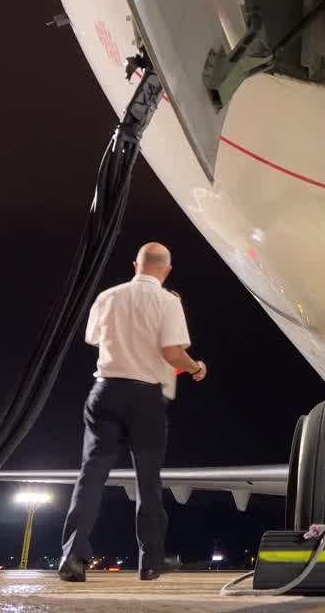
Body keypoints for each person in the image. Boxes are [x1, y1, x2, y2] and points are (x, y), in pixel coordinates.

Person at [58, 242, 207, 582]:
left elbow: (94, 338)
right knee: (147, 481)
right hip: (145, 398)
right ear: (166, 270)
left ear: (136, 265)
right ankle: (151, 559)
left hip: (105, 391)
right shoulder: (168, 302)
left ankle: (72, 557)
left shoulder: (108, 296)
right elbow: (172, 352)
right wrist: (196, 366)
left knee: (91, 475)